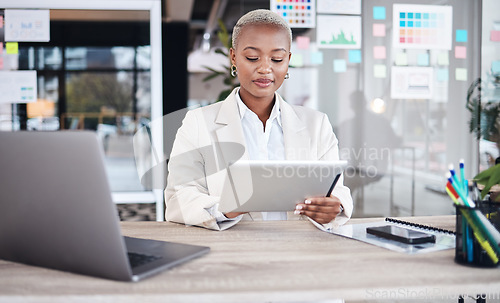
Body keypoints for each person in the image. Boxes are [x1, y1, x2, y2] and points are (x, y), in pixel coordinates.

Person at [165, 9, 352, 231]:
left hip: (300, 251)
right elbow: (178, 199)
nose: (265, 68)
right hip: (230, 253)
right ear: (233, 57)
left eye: (277, 59)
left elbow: (337, 190)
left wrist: (334, 207)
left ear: (288, 60)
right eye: (252, 57)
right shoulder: (198, 123)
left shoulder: (316, 124)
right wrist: (227, 208)